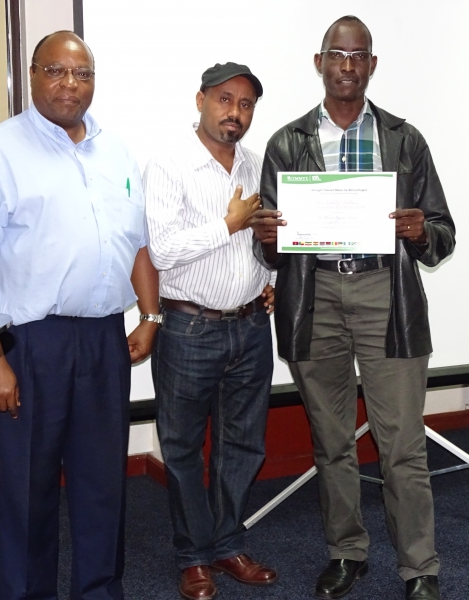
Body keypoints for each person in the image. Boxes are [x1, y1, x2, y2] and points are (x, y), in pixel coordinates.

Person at [0, 31, 159, 600]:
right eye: (56, 71)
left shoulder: (116, 151)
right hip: (29, 343)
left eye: (82, 74)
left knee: (101, 486)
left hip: (104, 342)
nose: (70, 84)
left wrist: (150, 315)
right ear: (33, 74)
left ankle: (98, 591)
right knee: (29, 490)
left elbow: (134, 242)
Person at [251, 16, 456, 600]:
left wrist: (420, 233)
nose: (346, 65)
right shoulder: (286, 142)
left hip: (383, 295)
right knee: (332, 441)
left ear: (371, 65)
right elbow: (271, 251)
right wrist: (267, 236)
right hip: (314, 298)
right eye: (336, 55)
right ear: (319, 63)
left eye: (357, 55)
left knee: (401, 444)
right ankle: (347, 552)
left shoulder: (404, 138)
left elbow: (443, 232)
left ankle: (419, 567)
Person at [143, 62, 277, 600]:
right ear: (200, 100)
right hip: (187, 328)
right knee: (181, 448)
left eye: (245, 105)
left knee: (242, 445)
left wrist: (271, 278)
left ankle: (227, 543)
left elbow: (265, 238)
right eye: (225, 100)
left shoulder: (256, 162)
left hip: (249, 328)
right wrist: (230, 223)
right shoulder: (169, 165)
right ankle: (192, 555)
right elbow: (163, 250)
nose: (235, 113)